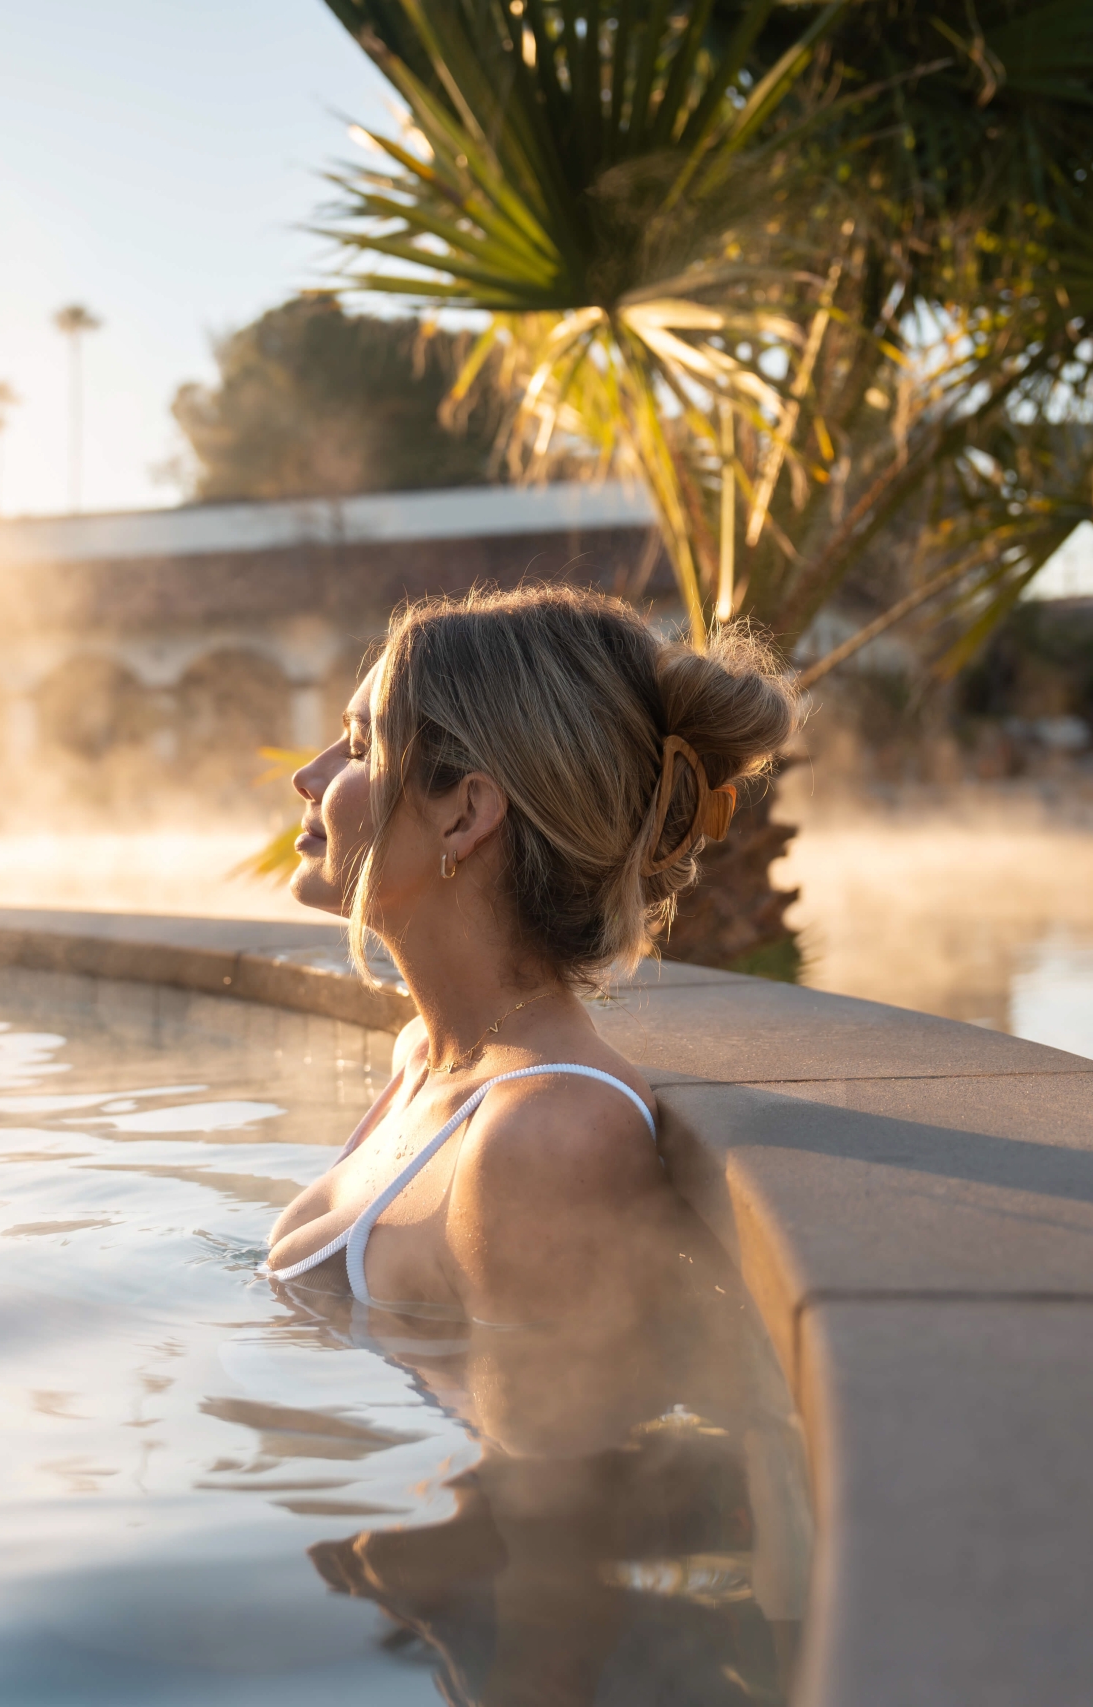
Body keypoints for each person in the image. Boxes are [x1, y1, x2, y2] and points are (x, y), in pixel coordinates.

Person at [260, 585, 804, 1701]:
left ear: (465, 814)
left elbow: (553, 1540)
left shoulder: (543, 1137)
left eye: (360, 742)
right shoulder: (431, 1058)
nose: (308, 777)